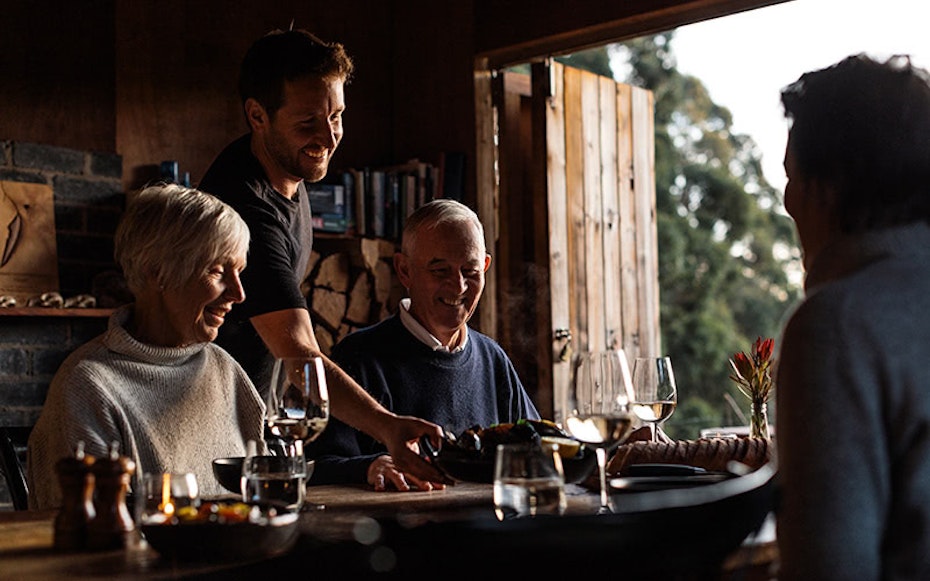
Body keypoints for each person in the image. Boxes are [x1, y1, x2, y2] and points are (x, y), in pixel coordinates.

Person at [198, 28, 445, 486]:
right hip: (204, 423)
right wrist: (387, 427)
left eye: (336, 116)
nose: (328, 137)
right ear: (257, 115)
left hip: (250, 418)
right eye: (307, 122)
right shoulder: (245, 207)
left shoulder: (288, 173)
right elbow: (299, 351)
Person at [776, 54, 930, 579]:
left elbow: (828, 567)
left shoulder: (837, 326)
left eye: (792, 176)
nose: (785, 199)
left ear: (830, 186)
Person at [27, 184, 264, 508]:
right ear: (158, 272)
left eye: (240, 272)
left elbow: (262, 494)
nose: (238, 294)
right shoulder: (88, 385)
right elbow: (93, 532)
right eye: (218, 270)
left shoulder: (226, 370)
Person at [306, 199, 540, 491]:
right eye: (440, 271)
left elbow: (538, 447)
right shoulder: (357, 357)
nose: (458, 287)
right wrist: (368, 466)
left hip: (489, 529)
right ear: (404, 270)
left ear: (486, 266)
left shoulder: (494, 359)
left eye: (470, 271)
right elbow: (313, 469)